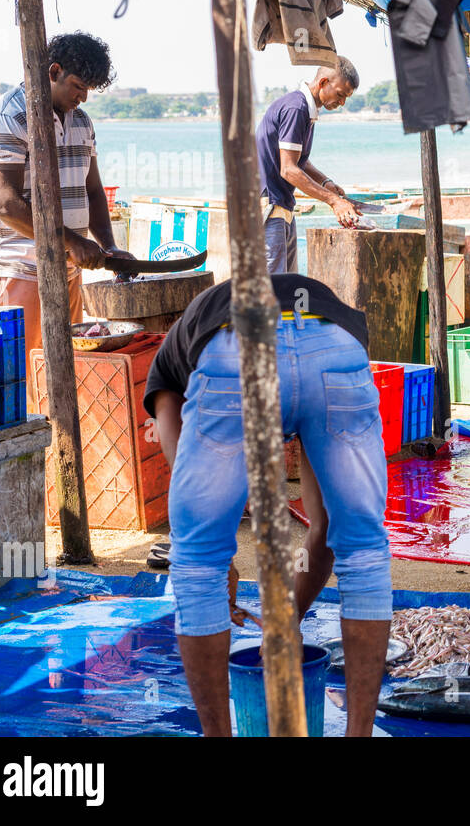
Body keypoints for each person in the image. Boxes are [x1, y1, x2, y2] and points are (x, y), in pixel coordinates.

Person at [144, 273, 393, 736]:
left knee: (196, 565)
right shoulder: (301, 304)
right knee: (364, 551)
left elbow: (188, 489)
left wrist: (216, 559)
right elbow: (325, 530)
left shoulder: (174, 357)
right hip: (334, 346)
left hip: (235, 347)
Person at [0, 31, 133, 366]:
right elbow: (6, 204)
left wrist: (108, 246)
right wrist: (72, 241)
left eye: (89, 89)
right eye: (78, 86)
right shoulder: (7, 117)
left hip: (69, 270)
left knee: (64, 369)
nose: (84, 97)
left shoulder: (82, 121)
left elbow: (92, 191)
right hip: (19, 269)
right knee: (20, 372)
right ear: (53, 71)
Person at [255, 58, 363, 273]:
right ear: (323, 82)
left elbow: (299, 160)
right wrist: (334, 201)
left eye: (346, 98)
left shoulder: (306, 109)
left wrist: (326, 182)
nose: (342, 103)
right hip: (270, 205)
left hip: (283, 206)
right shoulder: (296, 108)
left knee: (288, 285)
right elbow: (289, 169)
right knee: (273, 290)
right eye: (340, 94)